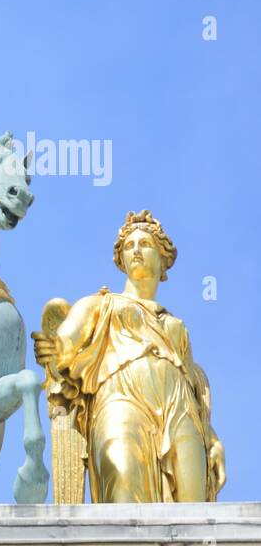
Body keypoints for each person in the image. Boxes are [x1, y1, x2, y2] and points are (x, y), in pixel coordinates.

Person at [33, 210, 224, 503]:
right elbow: (66, 342)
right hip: (121, 399)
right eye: (129, 245)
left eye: (145, 244)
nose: (135, 250)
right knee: (121, 485)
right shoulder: (100, 304)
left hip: (180, 409)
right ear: (120, 259)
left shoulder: (177, 327)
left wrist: (211, 439)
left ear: (163, 260)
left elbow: (192, 388)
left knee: (192, 510)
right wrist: (55, 349)